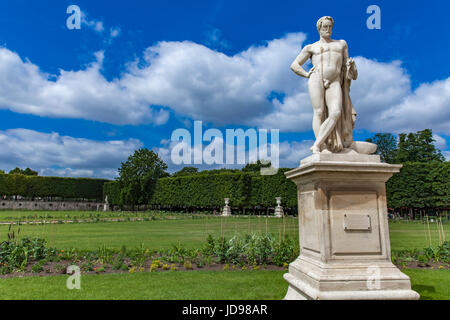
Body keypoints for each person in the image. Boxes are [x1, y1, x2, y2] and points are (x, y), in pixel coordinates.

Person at [291, 16, 358, 154]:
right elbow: (294, 65)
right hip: (316, 78)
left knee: (336, 112)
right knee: (319, 112)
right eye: (324, 27)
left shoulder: (341, 44)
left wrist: (352, 66)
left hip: (334, 81)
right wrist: (307, 74)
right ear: (319, 29)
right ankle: (322, 148)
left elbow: (348, 68)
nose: (328, 30)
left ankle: (317, 144)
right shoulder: (311, 47)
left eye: (330, 27)